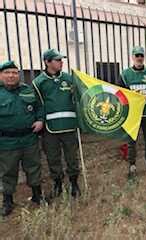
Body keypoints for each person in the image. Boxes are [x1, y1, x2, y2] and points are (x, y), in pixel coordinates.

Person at [32, 49, 80, 198]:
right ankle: (58, 183)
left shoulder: (70, 79)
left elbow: (78, 99)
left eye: (61, 59)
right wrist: (40, 121)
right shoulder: (38, 82)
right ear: (47, 62)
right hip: (49, 129)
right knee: (53, 158)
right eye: (57, 60)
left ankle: (74, 183)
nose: (61, 62)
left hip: (69, 126)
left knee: (72, 157)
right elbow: (38, 105)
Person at [0, 61, 44, 216]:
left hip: (29, 138)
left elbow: (39, 108)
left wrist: (40, 120)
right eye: (7, 73)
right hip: (7, 141)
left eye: (14, 72)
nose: (11, 76)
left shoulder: (27, 90)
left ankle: (37, 195)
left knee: (34, 167)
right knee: (8, 171)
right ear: (1, 75)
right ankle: (7, 201)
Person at [119, 46, 146, 179]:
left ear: (144, 57)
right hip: (132, 114)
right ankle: (132, 164)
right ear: (132, 57)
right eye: (137, 56)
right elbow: (120, 93)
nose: (139, 58)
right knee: (131, 141)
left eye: (141, 55)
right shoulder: (125, 74)